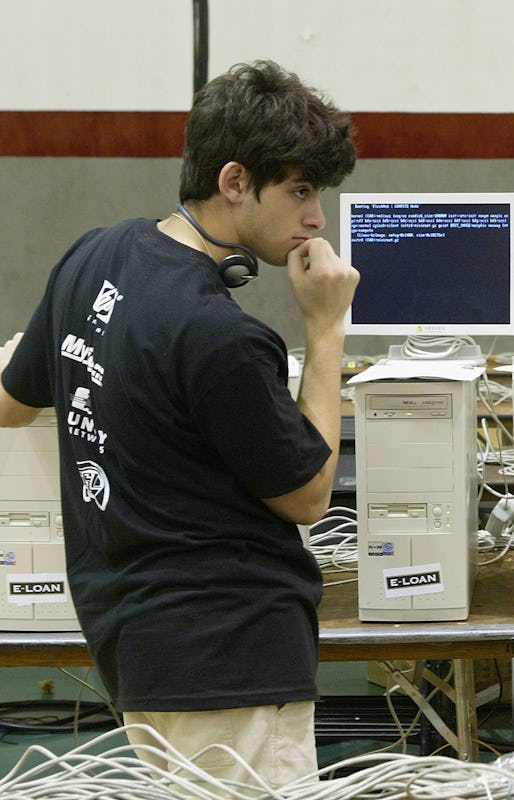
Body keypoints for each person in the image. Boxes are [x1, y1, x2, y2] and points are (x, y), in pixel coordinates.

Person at [0, 60, 359, 788]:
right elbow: (310, 494)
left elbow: (9, 402)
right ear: (235, 183)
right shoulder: (218, 335)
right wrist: (325, 330)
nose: (316, 218)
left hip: (136, 650)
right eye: (300, 191)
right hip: (231, 661)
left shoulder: (90, 257)